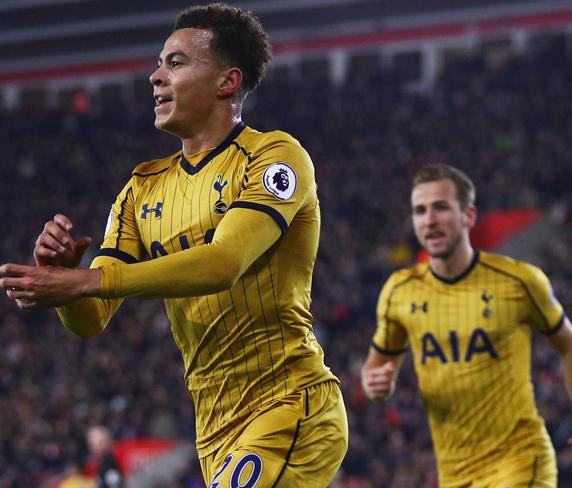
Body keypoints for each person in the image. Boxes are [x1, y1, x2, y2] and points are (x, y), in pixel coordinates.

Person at [0, 3, 347, 486]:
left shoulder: (274, 157)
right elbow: (92, 320)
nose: (155, 77)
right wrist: (69, 287)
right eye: (160, 63)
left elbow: (224, 262)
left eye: (176, 63)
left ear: (227, 82)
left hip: (290, 406)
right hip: (214, 429)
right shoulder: (141, 189)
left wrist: (87, 279)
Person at [360, 164, 572, 487]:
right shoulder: (400, 291)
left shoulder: (518, 281)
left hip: (519, 461)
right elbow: (375, 366)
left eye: (441, 207)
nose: (429, 219)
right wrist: (374, 382)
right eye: (420, 211)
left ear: (469, 216)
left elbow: (571, 345)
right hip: (454, 473)